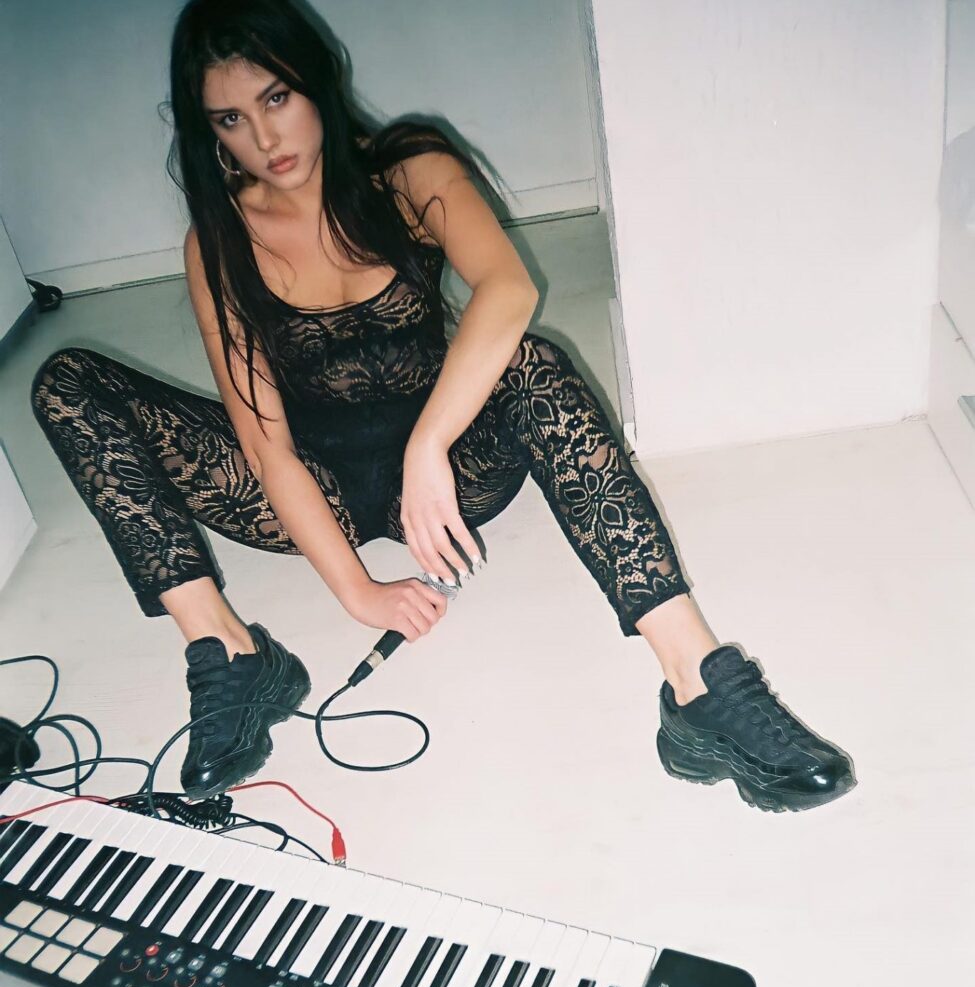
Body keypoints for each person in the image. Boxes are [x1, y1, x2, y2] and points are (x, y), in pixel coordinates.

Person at [30, 0, 854, 812]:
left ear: (316, 80)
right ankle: (230, 652)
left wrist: (428, 448)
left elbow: (507, 290)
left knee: (531, 363)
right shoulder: (219, 239)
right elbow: (266, 446)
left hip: (450, 470)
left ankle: (696, 685)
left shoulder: (406, 170)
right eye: (231, 119)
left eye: (276, 97)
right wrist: (359, 592)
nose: (265, 138)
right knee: (67, 384)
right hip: (311, 483)